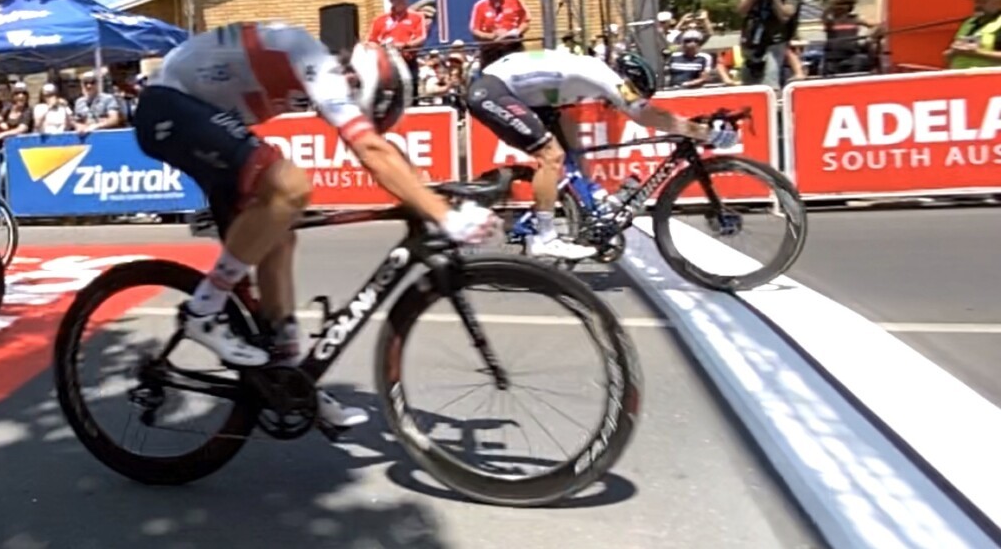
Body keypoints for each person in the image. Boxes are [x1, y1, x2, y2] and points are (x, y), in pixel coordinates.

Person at [131, 21, 502, 430]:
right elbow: (370, 148)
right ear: (360, 84)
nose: (363, 118)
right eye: (369, 112)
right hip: (166, 106)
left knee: (280, 234)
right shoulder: (313, 60)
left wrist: (434, 197)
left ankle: (290, 378)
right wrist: (445, 217)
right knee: (290, 186)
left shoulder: (321, 70)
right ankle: (203, 310)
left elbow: (383, 150)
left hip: (199, 115)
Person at [465, 48, 739, 261]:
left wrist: (589, 187)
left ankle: (577, 211)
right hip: (491, 91)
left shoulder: (578, 84)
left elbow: (571, 136)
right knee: (551, 156)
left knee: (565, 153)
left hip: (507, 88)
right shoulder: (603, 76)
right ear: (630, 81)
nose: (617, 104)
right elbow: (644, 114)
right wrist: (703, 133)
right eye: (637, 93)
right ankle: (545, 239)